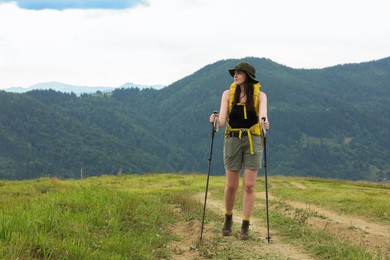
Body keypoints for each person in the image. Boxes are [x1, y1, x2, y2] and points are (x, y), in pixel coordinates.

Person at [210, 62, 270, 240]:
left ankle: (245, 225)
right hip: (232, 140)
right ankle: (228, 218)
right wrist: (214, 121)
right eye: (234, 73)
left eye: (238, 73)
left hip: (253, 140)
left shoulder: (261, 96)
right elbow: (221, 122)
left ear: (247, 76)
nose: (235, 75)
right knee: (231, 185)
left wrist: (265, 123)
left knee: (249, 185)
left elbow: (263, 117)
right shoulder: (227, 94)